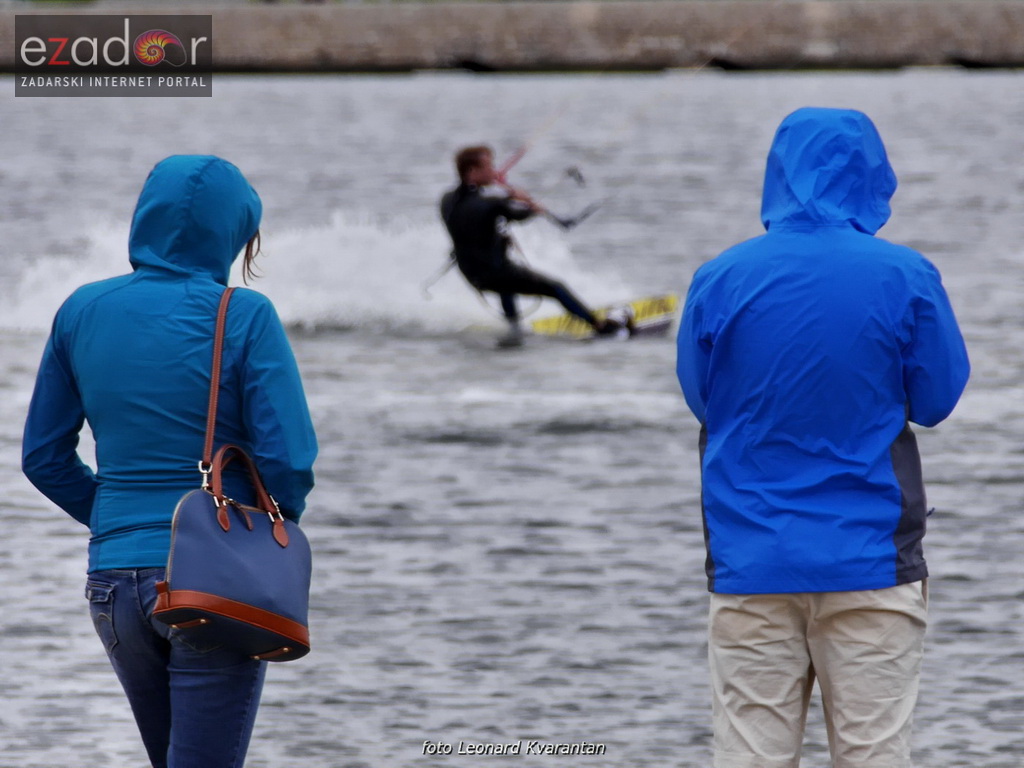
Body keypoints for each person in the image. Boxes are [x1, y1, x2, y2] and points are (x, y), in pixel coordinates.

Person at [676, 108, 969, 768]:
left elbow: (704, 400)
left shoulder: (719, 277)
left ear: (777, 175)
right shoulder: (906, 275)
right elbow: (938, 400)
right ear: (873, 176)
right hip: (871, 560)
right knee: (874, 755)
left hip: (751, 559)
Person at [22, 155, 318, 768]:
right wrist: (255, 535)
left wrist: (118, 521)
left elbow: (44, 457)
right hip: (209, 581)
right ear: (233, 232)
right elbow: (289, 460)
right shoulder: (244, 314)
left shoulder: (80, 309)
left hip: (112, 584)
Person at [440, 145, 625, 346]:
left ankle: (514, 328)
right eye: (488, 167)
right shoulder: (491, 203)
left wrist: (504, 200)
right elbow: (518, 214)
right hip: (495, 274)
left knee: (506, 284)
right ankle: (599, 326)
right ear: (472, 172)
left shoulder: (447, 200)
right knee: (556, 288)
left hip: (472, 275)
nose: (493, 171)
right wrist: (527, 202)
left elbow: (473, 221)